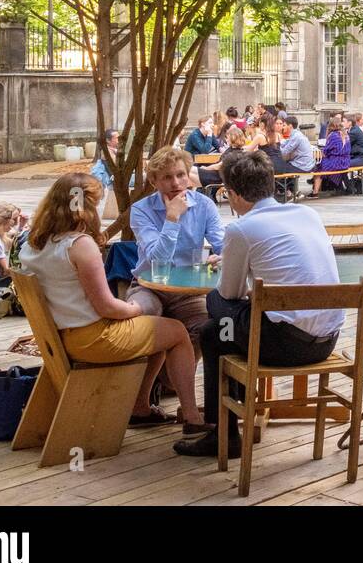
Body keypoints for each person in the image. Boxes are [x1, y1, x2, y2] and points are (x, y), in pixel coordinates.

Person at [173, 150, 344, 459]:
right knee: (226, 328)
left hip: (284, 346)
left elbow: (230, 295)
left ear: (234, 194)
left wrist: (233, 273)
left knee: (215, 324)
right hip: (326, 342)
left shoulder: (240, 229)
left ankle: (224, 432)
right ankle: (229, 424)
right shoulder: (308, 214)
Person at [21, 173, 206, 433]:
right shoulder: (80, 245)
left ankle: (141, 408)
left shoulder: (31, 244)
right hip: (94, 339)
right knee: (176, 330)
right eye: (95, 203)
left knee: (157, 329)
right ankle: (192, 418)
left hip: (62, 336)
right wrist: (135, 308)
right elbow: (107, 307)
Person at [128, 148, 225, 355]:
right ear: (154, 181)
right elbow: (157, 259)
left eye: (181, 175)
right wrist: (172, 218)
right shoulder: (141, 209)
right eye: (167, 177)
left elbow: (223, 245)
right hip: (149, 286)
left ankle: (169, 383)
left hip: (188, 291)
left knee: (207, 328)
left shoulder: (204, 205)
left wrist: (223, 258)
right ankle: (153, 381)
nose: (175, 183)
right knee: (138, 322)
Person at [271, 114, 317, 198]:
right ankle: (289, 190)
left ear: (290, 126)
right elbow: (286, 142)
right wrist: (278, 141)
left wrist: (272, 147)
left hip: (303, 165)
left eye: (284, 125)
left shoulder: (296, 136)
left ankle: (281, 190)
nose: (282, 127)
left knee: (279, 168)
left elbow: (285, 151)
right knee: (285, 165)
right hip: (305, 163)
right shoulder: (296, 134)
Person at [311, 117, 352, 196]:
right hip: (346, 162)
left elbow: (326, 151)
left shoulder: (333, 135)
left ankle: (315, 192)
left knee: (318, 167)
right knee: (322, 165)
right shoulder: (346, 135)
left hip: (336, 162)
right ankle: (337, 187)